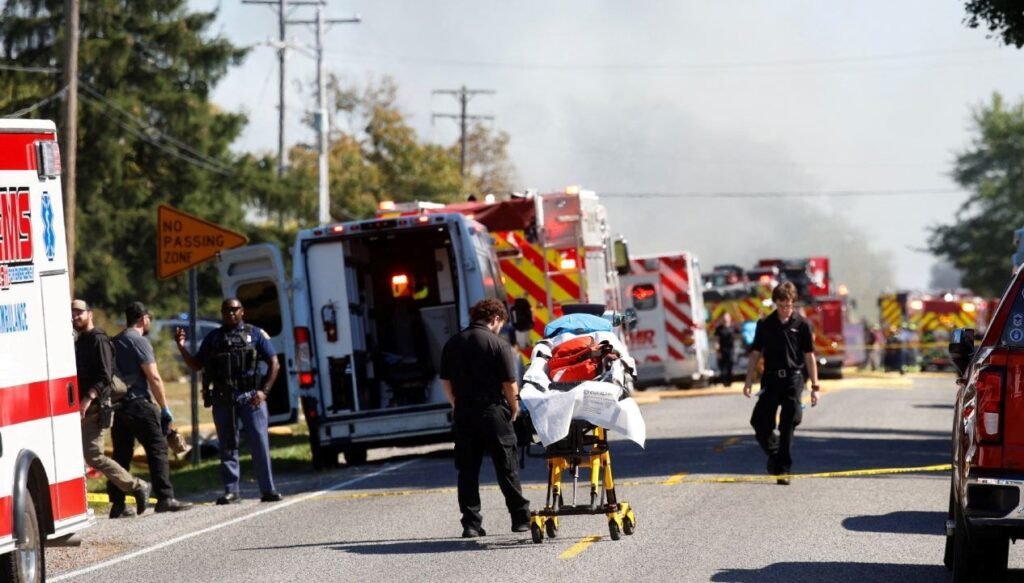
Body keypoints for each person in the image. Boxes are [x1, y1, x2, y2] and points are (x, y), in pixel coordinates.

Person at [176, 298, 283, 504]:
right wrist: (181, 347)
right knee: (227, 445)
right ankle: (231, 491)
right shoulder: (214, 338)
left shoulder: (255, 334)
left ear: (242, 311)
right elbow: (197, 365)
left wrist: (264, 392)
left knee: (259, 443)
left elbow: (274, 363)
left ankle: (268, 489)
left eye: (234, 310)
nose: (230, 313)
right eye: (226, 310)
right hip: (224, 398)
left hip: (251, 397)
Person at [440, 298, 531, 537]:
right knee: (506, 466)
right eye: (501, 323)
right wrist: (515, 408)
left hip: (464, 413)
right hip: (493, 412)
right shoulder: (498, 344)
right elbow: (509, 383)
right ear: (496, 319)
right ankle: (520, 519)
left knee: (468, 470)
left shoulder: (452, 343)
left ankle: (471, 524)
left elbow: (445, 381)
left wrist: (455, 403)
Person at [111, 301, 192, 514]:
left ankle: (118, 504)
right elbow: (154, 377)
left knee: (121, 456)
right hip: (138, 404)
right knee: (157, 448)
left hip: (117, 407)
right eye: (149, 320)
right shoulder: (139, 341)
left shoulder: (115, 341)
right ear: (144, 319)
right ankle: (165, 498)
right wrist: (165, 407)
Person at [72, 299, 151, 518]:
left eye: (80, 313)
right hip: (79, 407)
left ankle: (137, 486)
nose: (75, 317)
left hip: (96, 407)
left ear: (90, 314)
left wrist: (88, 398)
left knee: (94, 456)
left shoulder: (99, 339)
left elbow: (105, 376)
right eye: (73, 313)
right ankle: (111, 503)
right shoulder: (80, 341)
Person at [742, 282, 821, 486]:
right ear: (775, 303)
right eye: (781, 305)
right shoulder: (765, 324)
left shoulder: (802, 325)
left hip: (793, 379)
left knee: (788, 423)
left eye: (789, 305)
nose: (786, 309)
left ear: (793, 303)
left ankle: (784, 469)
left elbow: (809, 356)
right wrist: (749, 379)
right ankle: (776, 455)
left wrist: (815, 387)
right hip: (771, 379)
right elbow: (755, 353)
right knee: (759, 422)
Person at [714, 313, 737, 386]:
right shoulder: (719, 328)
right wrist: (717, 351)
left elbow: (739, 336)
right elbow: (717, 340)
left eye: (726, 317)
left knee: (730, 365)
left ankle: (730, 382)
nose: (725, 319)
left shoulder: (733, 327)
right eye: (724, 318)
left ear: (730, 318)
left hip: (731, 350)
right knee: (722, 367)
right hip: (722, 350)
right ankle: (724, 382)